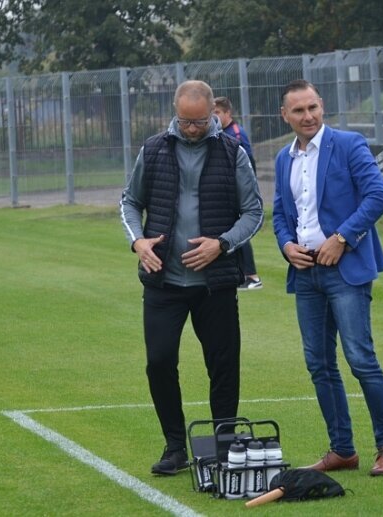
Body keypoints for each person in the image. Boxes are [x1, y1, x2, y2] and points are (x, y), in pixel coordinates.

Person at [120, 80, 264, 476]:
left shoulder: (232, 151)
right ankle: (174, 447)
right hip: (164, 281)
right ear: (175, 112)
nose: (192, 129)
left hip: (214, 284)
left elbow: (253, 212)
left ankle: (222, 444)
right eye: (185, 121)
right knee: (159, 361)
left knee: (223, 364)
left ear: (213, 115)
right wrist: (139, 243)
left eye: (200, 122)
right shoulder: (153, 148)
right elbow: (130, 201)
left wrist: (221, 244)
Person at [272, 79, 383, 476]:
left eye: (312, 107)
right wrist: (286, 245)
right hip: (306, 272)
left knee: (361, 359)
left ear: (322, 106)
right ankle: (342, 450)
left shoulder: (348, 144)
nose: (307, 116)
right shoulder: (283, 158)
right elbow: (280, 211)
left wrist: (342, 238)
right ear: (285, 115)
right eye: (298, 110)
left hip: (344, 270)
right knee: (319, 365)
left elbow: (378, 195)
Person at [213, 96, 263, 290]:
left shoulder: (235, 134)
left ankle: (252, 276)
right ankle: (242, 274)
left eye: (217, 112)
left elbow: (245, 167)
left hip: (238, 191)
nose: (213, 116)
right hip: (230, 189)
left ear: (227, 113)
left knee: (240, 231)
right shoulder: (223, 132)